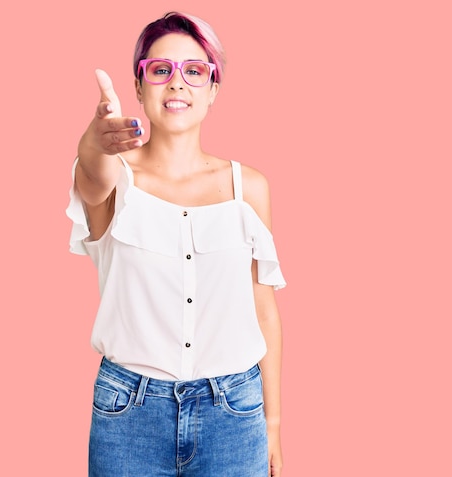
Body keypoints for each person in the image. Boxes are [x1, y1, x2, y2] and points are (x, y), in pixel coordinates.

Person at [66, 11, 286, 476]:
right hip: (128, 414)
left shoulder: (250, 187)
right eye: (161, 70)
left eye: (194, 71)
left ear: (213, 89)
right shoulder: (116, 176)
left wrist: (273, 422)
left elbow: (264, 311)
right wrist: (94, 142)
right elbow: (91, 178)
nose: (177, 83)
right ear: (140, 86)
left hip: (235, 413)